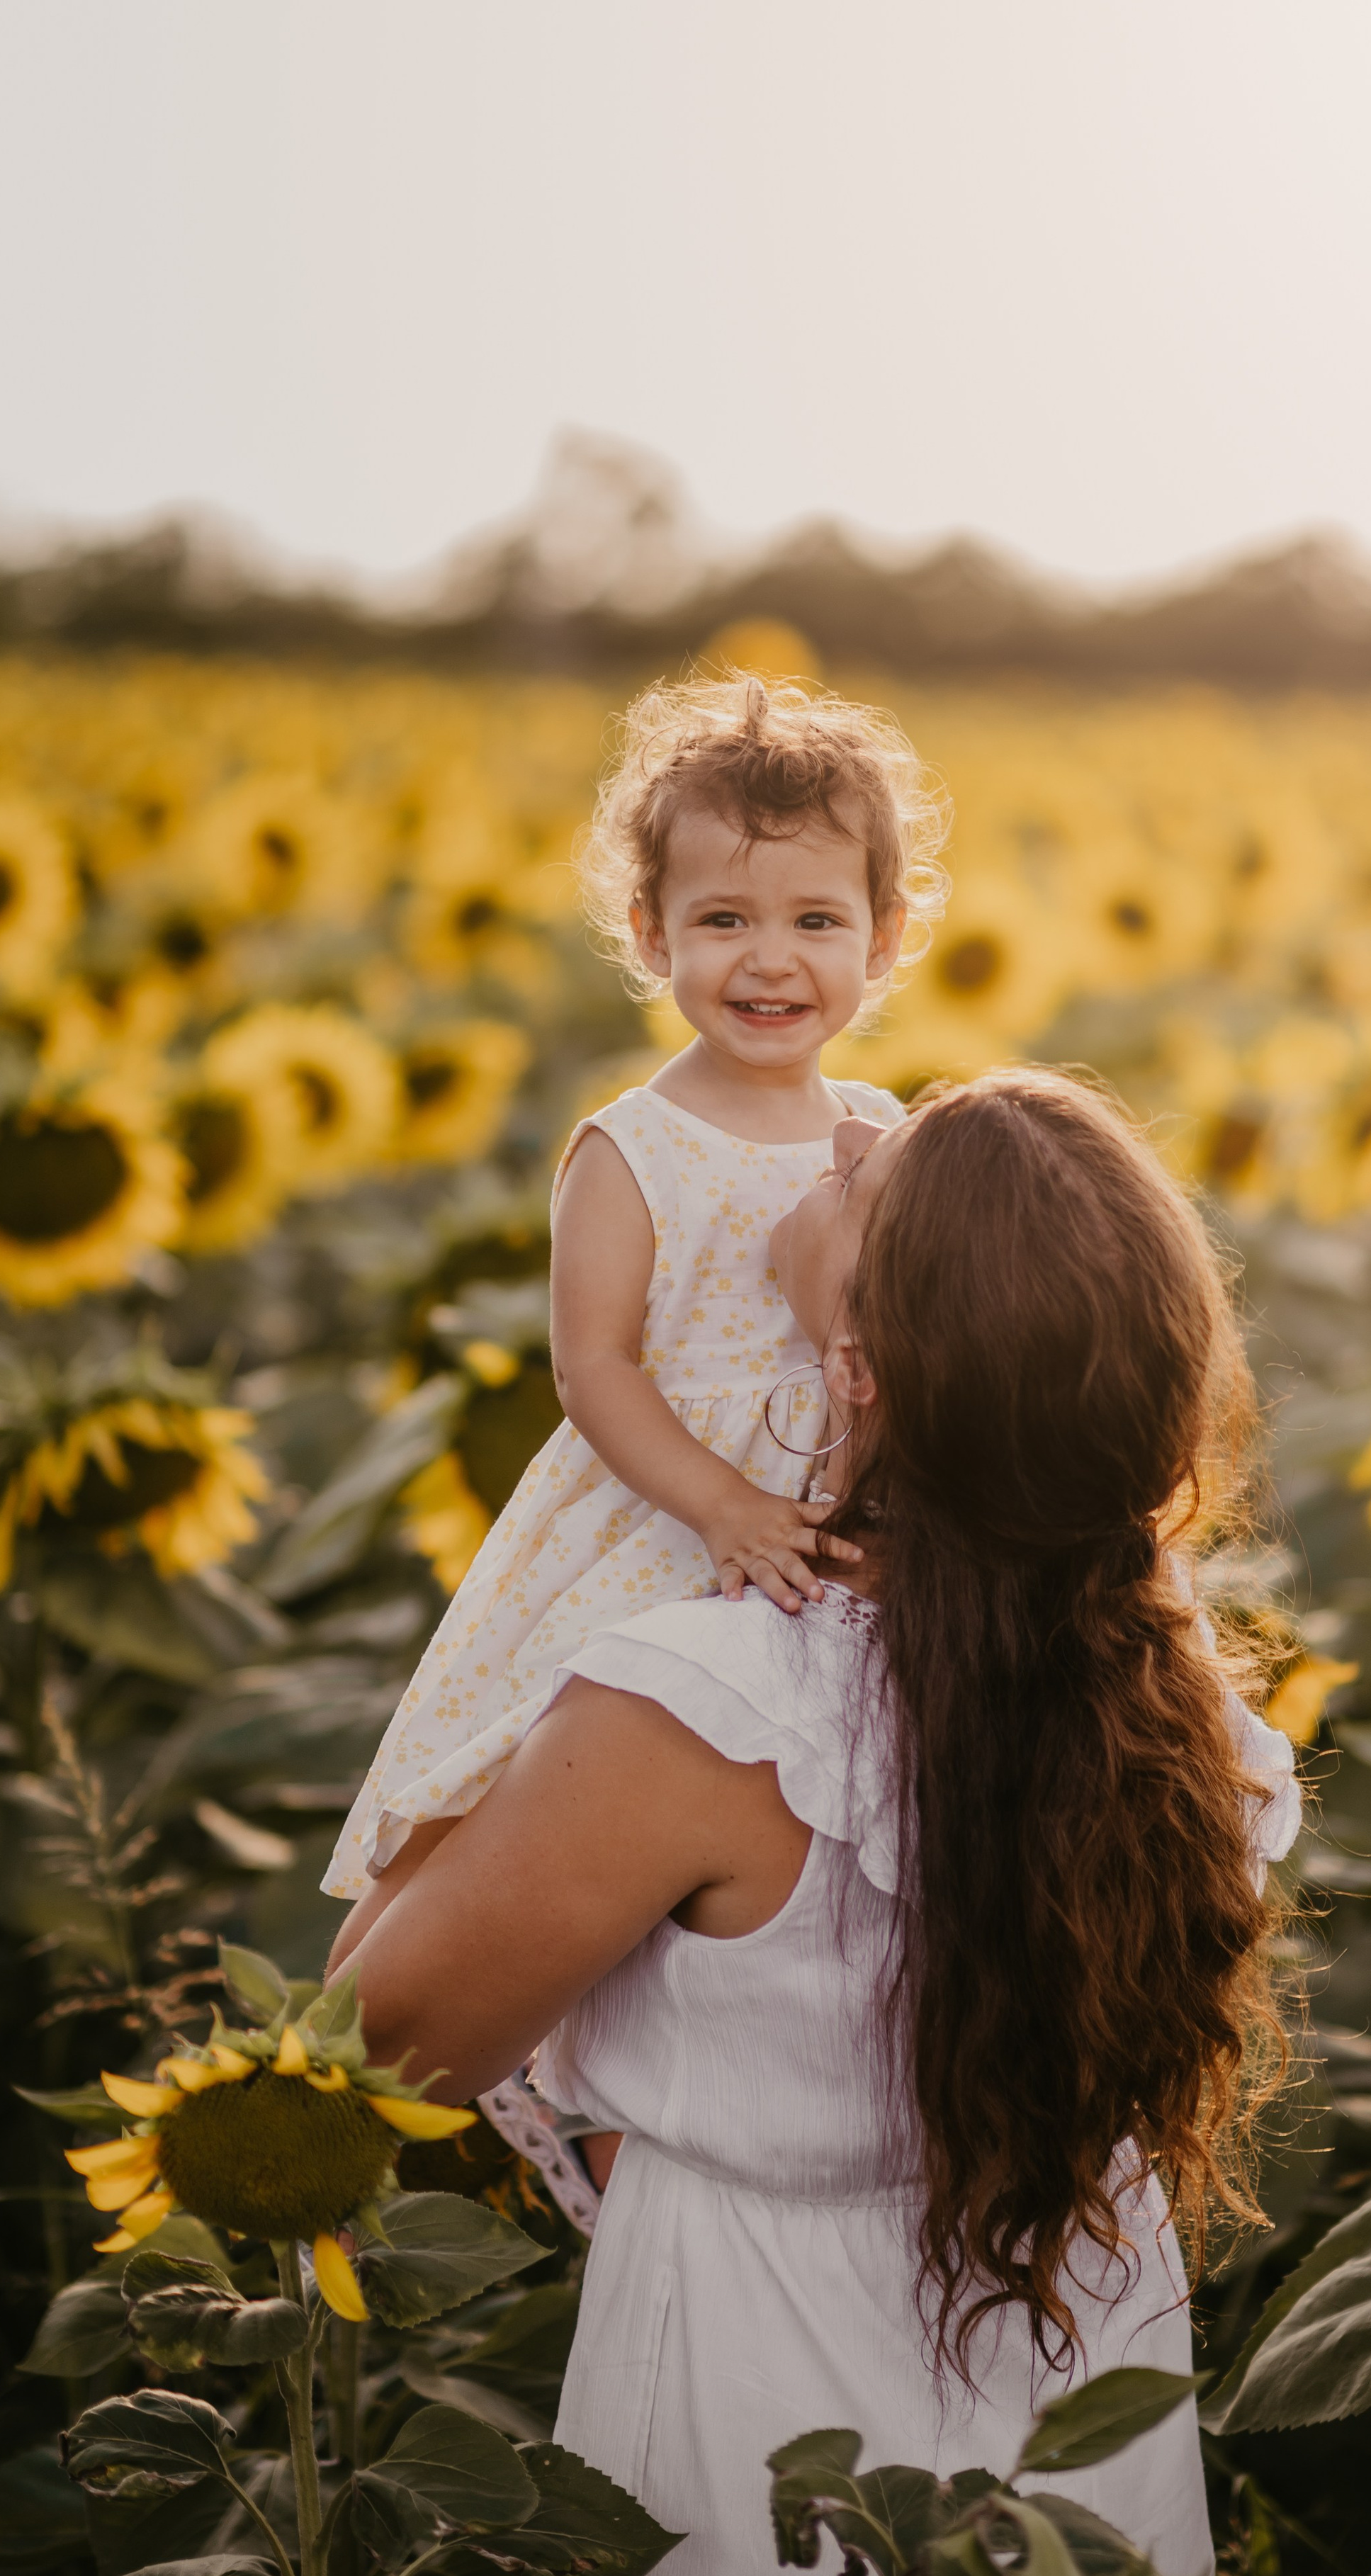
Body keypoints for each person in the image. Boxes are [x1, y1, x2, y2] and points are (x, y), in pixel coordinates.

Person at [329, 1070, 1299, 2576]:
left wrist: (538, 1618)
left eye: (874, 1169)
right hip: (1075, 2420)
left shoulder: (705, 1707)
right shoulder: (1184, 1711)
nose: (842, 1135)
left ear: (851, 1365)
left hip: (755, 2426)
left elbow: (371, 2042)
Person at [321, 672, 949, 1904]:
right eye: (724, 922)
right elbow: (592, 1366)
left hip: (843, 1530)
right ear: (652, 931)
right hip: (671, 1523)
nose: (770, 961)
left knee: (814, 1826)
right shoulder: (634, 1148)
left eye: (815, 923)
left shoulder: (882, 1129)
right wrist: (720, 1503)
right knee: (561, 1808)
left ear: (883, 937)